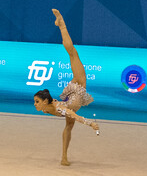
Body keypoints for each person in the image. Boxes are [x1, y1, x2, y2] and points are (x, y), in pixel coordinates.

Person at [32, 9, 100, 166]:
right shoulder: (48, 107)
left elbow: (74, 115)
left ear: (45, 101)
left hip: (78, 87)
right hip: (71, 100)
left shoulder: (58, 108)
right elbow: (70, 113)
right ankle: (64, 157)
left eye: (37, 101)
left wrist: (90, 123)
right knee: (68, 126)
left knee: (72, 53)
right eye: (35, 101)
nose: (34, 104)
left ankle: (62, 24)